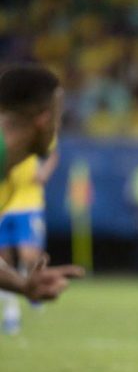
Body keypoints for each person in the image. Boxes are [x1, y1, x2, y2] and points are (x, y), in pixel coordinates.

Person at [0, 65, 84, 302]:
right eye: (58, 118)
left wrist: (23, 285)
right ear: (44, 120)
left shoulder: (9, 174)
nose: (58, 127)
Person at [0, 151, 59, 334]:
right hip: (3, 204)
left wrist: (44, 172)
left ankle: (32, 285)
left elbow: (52, 151)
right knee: (4, 259)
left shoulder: (28, 133)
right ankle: (11, 311)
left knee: (28, 254)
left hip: (28, 202)